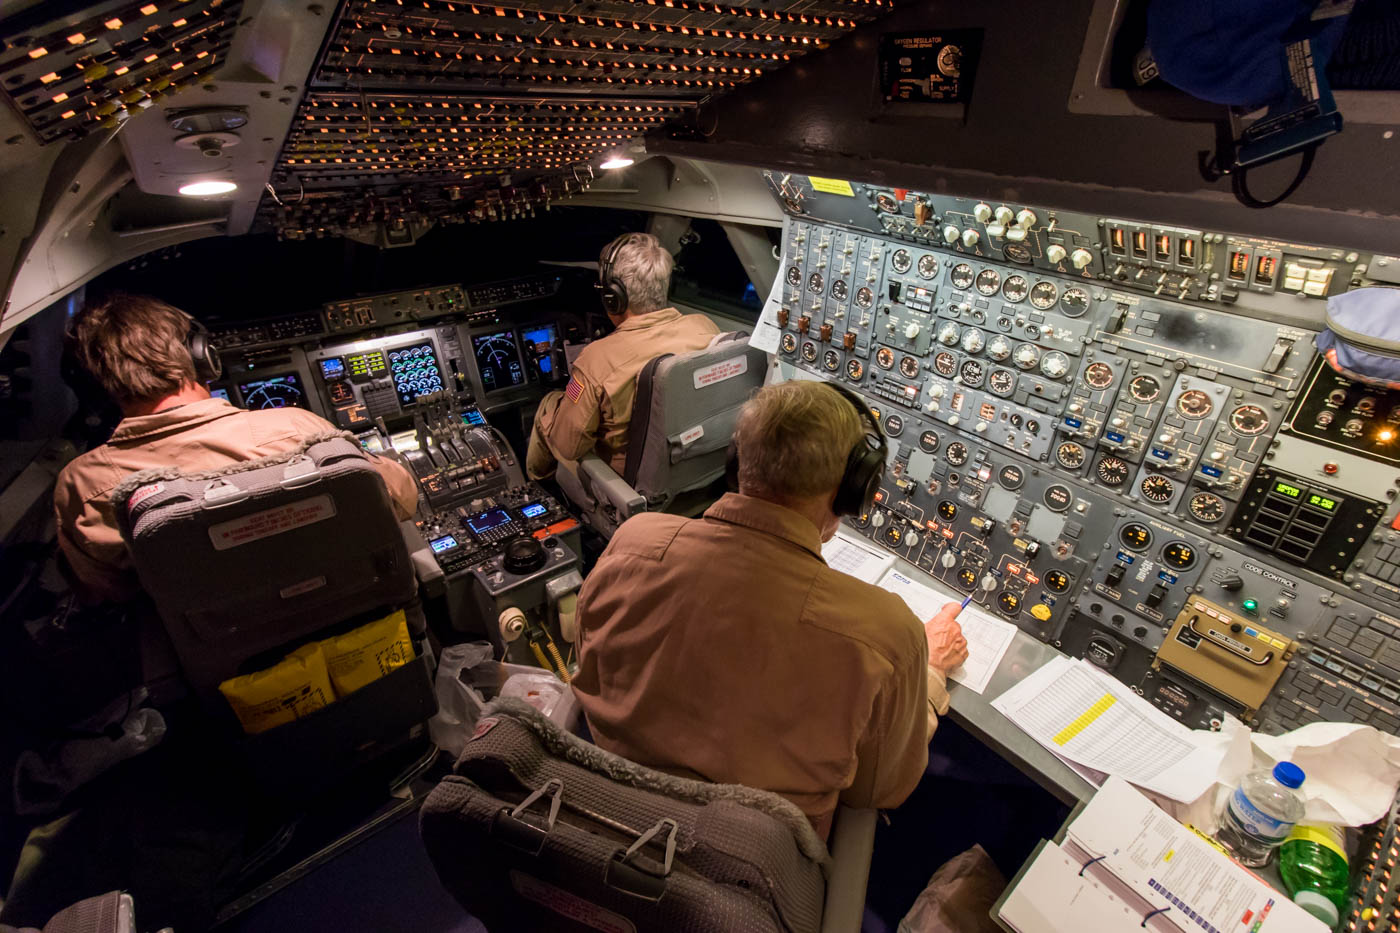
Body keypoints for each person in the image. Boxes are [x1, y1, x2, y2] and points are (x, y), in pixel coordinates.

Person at [571, 380, 969, 839]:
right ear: (852, 491)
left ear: (737, 463)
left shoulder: (633, 542)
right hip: (750, 862)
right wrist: (932, 673)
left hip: (604, 808)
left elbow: (589, 662)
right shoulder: (888, 632)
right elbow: (880, 789)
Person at [53, 293, 419, 604]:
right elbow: (402, 498)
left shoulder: (86, 484)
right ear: (201, 355)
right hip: (351, 610)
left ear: (90, 387)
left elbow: (106, 591)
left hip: (222, 658)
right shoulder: (294, 427)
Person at [526, 232, 720, 480]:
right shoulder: (704, 327)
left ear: (613, 298)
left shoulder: (597, 359)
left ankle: (537, 494)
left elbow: (568, 447)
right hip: (694, 470)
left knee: (550, 404)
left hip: (628, 488)